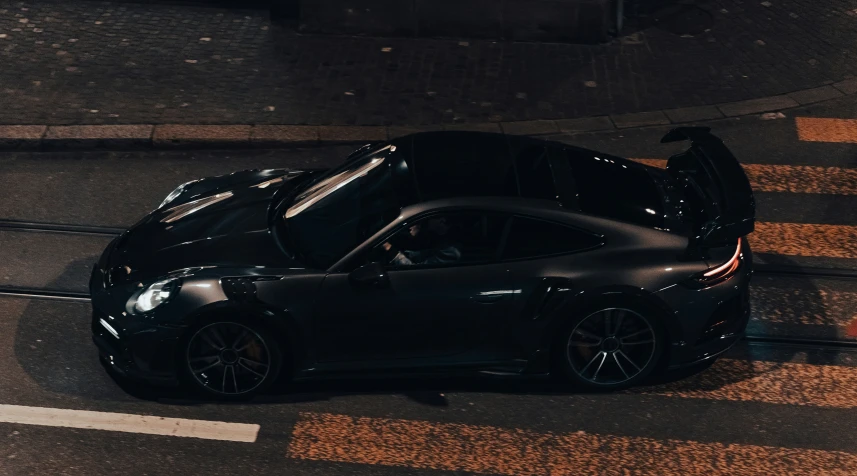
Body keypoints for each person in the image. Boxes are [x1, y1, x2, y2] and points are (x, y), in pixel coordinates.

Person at [381, 216, 462, 266]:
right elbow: (422, 254)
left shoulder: (451, 251)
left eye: (431, 218)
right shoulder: (441, 237)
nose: (427, 220)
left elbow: (413, 270)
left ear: (442, 221)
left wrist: (389, 248)